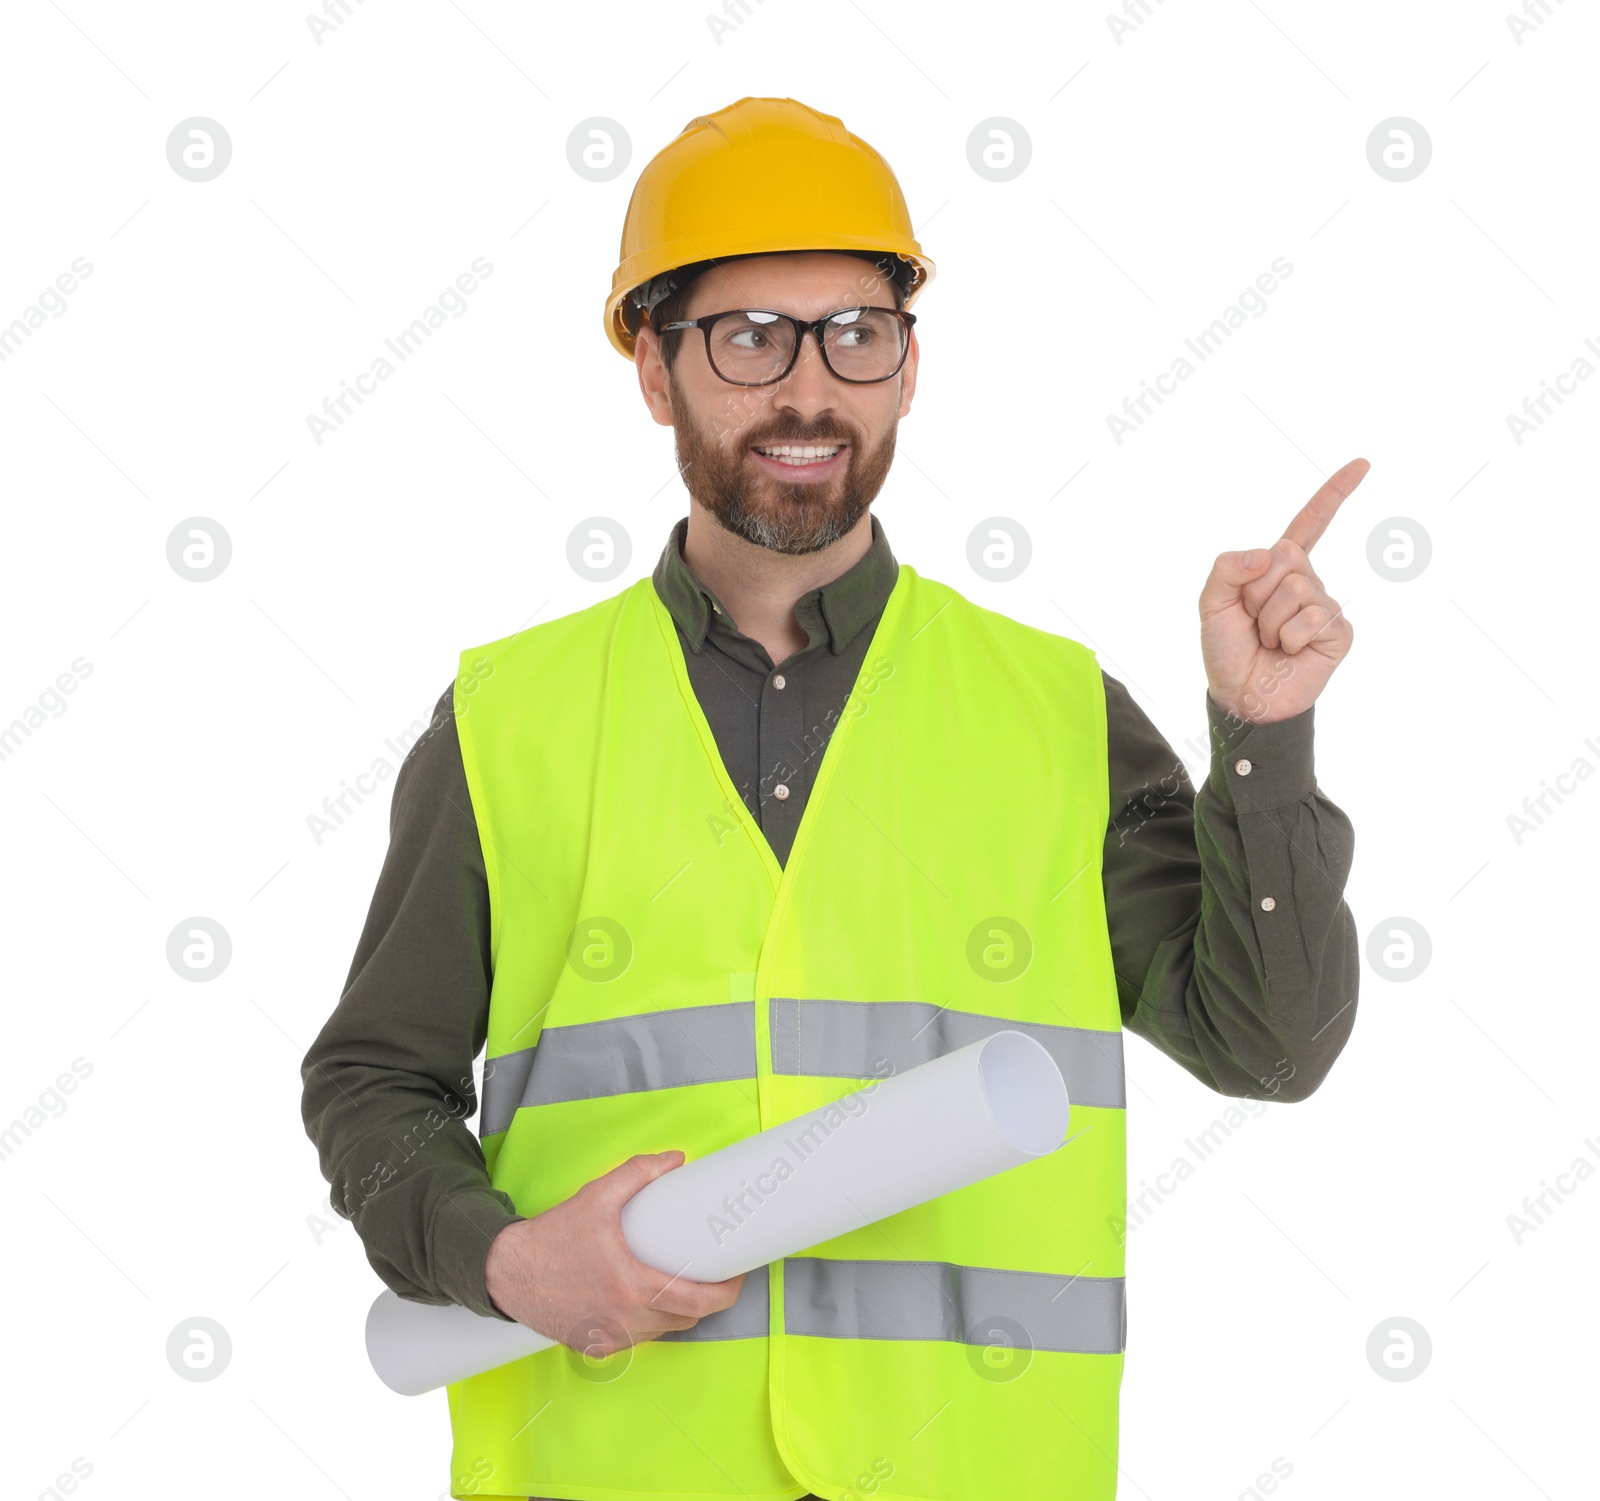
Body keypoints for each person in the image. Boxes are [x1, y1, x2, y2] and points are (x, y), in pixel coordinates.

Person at [301, 96, 1362, 1501]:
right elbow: (373, 1081)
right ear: (653, 368)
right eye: (749, 336)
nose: (810, 390)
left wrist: (1262, 742)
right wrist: (505, 1258)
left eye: (857, 332)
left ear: (909, 368)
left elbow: (1269, 1047)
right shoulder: (513, 719)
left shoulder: (1051, 709)